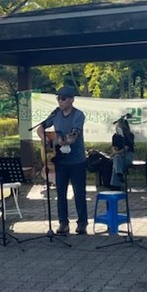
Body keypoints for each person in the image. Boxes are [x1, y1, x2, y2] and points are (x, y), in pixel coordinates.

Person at [36, 86, 88, 235]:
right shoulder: (56, 114)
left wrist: (64, 140)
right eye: (58, 98)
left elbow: (74, 136)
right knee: (60, 193)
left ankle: (82, 223)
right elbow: (40, 128)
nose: (60, 101)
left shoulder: (78, 115)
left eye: (63, 98)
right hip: (60, 161)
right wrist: (45, 139)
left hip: (77, 160)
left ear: (71, 99)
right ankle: (63, 223)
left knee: (79, 193)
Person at [111, 116, 135, 190]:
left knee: (116, 164)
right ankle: (119, 175)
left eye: (119, 126)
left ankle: (115, 186)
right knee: (117, 159)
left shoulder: (130, 135)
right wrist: (116, 153)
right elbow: (114, 147)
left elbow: (126, 148)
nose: (117, 127)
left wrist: (116, 153)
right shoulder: (115, 136)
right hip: (118, 156)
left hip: (128, 155)